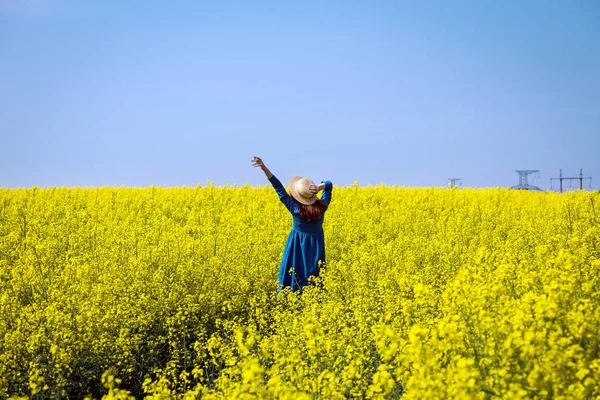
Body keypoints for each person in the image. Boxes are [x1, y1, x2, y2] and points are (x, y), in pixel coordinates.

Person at [252, 156, 333, 292]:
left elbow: (279, 188)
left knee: (293, 273)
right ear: (312, 194)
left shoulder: (295, 209)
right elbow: (329, 185)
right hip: (316, 246)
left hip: (297, 245)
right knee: (315, 276)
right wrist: (320, 186)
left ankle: (290, 302)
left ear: (297, 195)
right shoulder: (322, 207)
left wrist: (264, 168)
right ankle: (315, 307)